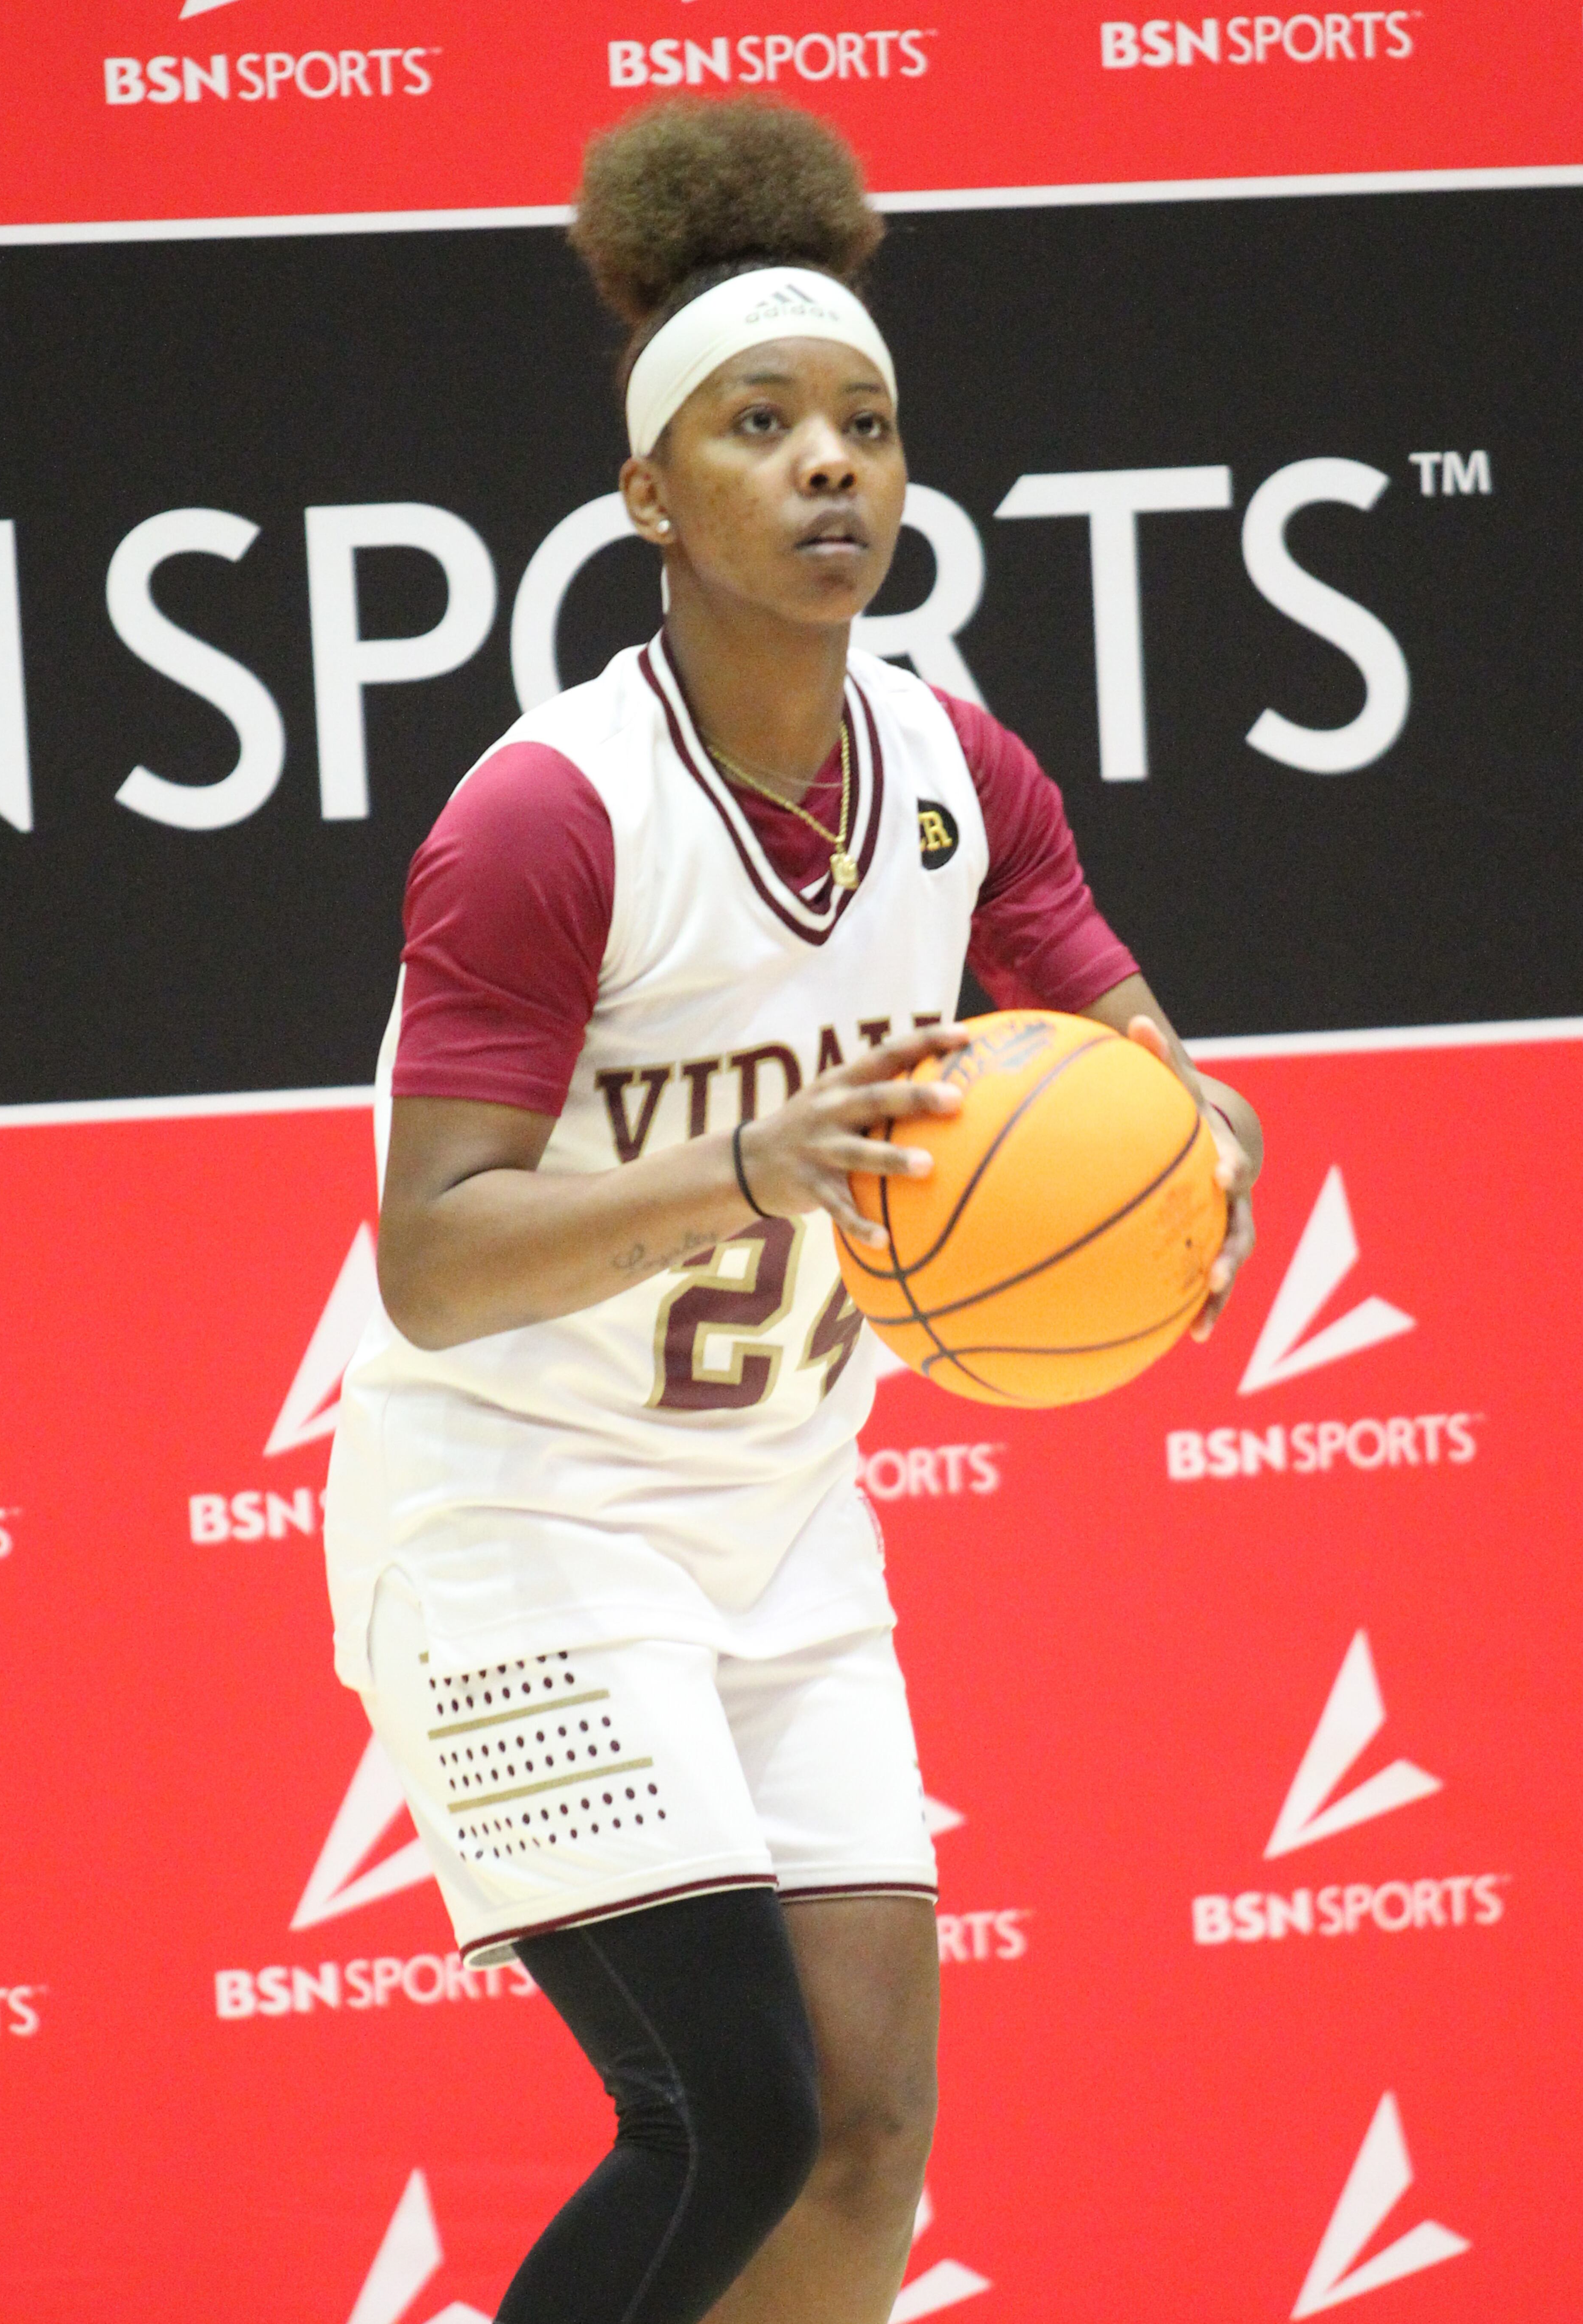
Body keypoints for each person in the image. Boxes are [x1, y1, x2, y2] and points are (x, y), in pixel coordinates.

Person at [323, 96, 1262, 2324]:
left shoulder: (958, 769)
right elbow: (433, 1259)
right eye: (761, 426)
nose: (830, 465)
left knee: (858, 2140)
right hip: (524, 1518)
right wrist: (754, 1162)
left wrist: (1202, 1154)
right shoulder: (551, 815)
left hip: (783, 1518)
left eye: (866, 423)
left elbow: (1151, 1061)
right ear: (650, 495)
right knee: (726, 2116)